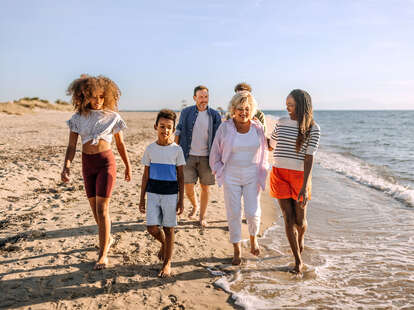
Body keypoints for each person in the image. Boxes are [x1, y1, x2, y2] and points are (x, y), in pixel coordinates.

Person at [61, 75, 132, 270]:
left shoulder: (113, 117)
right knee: (95, 211)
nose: (98, 101)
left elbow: (120, 143)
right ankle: (107, 238)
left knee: (102, 209)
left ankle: (103, 254)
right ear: (84, 95)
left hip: (105, 163)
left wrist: (128, 165)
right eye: (94, 97)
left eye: (102, 97)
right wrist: (66, 166)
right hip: (87, 165)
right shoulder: (77, 119)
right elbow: (71, 146)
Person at [210, 91, 269, 265]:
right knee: (234, 213)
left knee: (252, 212)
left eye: (247, 108)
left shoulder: (257, 126)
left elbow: (265, 150)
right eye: (240, 108)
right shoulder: (225, 127)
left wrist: (263, 169)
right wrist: (220, 170)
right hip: (231, 176)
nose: (243, 112)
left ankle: (253, 239)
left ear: (252, 110)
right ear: (233, 109)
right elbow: (215, 153)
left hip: (252, 175)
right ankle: (236, 249)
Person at [268, 89, 320, 274]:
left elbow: (309, 158)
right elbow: (270, 145)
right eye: (286, 105)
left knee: (300, 220)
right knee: (288, 219)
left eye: (291, 105)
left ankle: (301, 238)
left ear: (301, 105)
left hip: (300, 177)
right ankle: (298, 260)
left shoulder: (313, 128)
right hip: (279, 173)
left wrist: (305, 187)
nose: (287, 108)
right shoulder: (281, 122)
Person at [139, 109, 185, 277]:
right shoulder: (150, 149)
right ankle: (165, 244)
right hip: (152, 193)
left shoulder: (177, 150)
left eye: (168, 127)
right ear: (155, 127)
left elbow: (181, 176)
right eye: (162, 126)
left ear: (173, 130)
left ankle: (167, 263)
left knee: (169, 228)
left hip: (171, 194)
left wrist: (181, 200)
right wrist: (141, 199)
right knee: (152, 228)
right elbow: (145, 175)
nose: (165, 130)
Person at [174, 85, 222, 226]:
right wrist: (174, 151)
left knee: (205, 187)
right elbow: (178, 131)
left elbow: (220, 138)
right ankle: (195, 205)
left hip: (207, 157)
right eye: (200, 97)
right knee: (188, 186)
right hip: (187, 155)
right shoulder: (186, 112)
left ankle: (202, 216)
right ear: (195, 98)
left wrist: (220, 157)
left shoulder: (214, 115)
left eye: (206, 97)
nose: (203, 100)